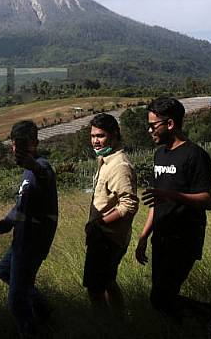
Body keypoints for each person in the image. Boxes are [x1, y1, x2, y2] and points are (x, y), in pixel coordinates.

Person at [0, 120, 58, 338]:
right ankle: (45, 311)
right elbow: (18, 210)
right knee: (3, 270)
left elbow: (45, 176)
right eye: (15, 144)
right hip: (21, 241)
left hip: (32, 243)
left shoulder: (41, 166)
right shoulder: (26, 174)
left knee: (16, 302)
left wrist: (34, 166)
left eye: (24, 144)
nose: (17, 149)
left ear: (35, 143)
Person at [135, 97, 211, 323]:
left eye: (153, 125)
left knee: (161, 297)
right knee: (160, 298)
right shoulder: (159, 155)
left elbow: (208, 200)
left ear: (170, 124)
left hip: (184, 238)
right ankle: (189, 327)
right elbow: (156, 201)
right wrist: (144, 236)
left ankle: (209, 316)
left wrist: (171, 196)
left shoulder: (196, 155)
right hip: (161, 237)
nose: (150, 130)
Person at [83, 113, 138, 317]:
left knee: (95, 287)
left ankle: (106, 324)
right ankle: (119, 319)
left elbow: (129, 205)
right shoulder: (105, 159)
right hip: (103, 234)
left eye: (101, 136)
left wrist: (98, 224)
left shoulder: (119, 166)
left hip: (109, 236)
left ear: (114, 135)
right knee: (107, 281)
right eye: (93, 136)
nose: (95, 141)